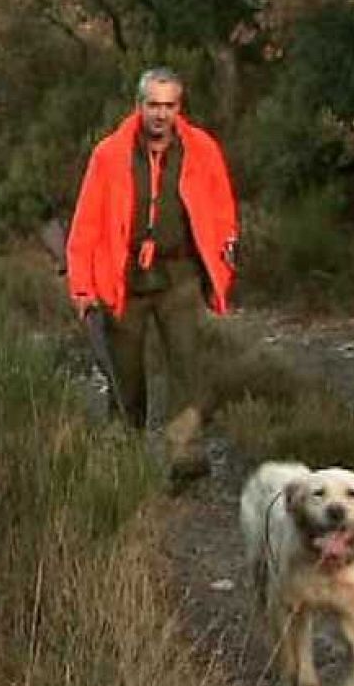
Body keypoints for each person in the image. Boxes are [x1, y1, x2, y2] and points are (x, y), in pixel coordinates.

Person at [66, 67, 239, 475]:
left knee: (186, 365)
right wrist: (82, 285)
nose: (161, 114)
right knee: (125, 374)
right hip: (122, 277)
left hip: (179, 275)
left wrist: (223, 266)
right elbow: (86, 223)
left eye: (169, 106)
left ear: (179, 108)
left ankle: (186, 459)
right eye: (153, 105)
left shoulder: (202, 150)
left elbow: (222, 210)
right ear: (139, 106)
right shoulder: (110, 154)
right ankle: (124, 460)